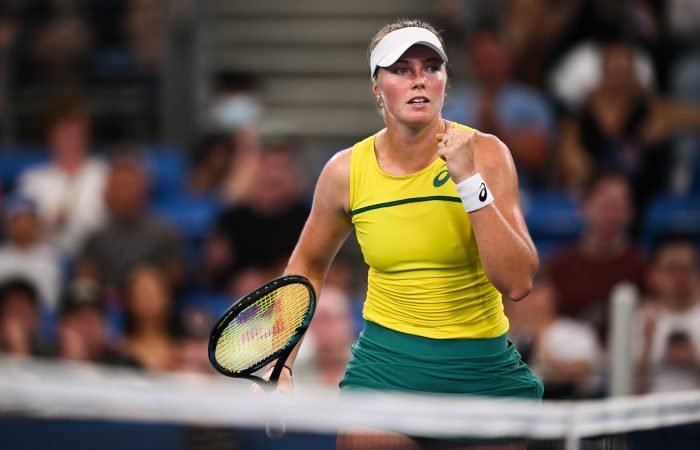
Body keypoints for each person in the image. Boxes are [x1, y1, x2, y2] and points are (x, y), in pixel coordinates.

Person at [270, 19, 542, 450]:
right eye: (401, 69)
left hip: (481, 373)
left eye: (431, 67)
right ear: (377, 88)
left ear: (444, 82)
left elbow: (518, 281)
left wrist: (468, 182)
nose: (419, 79)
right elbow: (307, 266)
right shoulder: (345, 171)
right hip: (385, 373)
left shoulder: (487, 154)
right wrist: (281, 362)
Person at [546, 171, 647, 347]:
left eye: (618, 208)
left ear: (631, 212)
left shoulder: (642, 266)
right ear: (583, 207)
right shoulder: (559, 266)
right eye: (604, 207)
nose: (611, 216)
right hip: (569, 357)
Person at [635, 235, 700, 394]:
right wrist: (646, 349)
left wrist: (694, 362)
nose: (680, 278)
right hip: (650, 406)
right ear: (653, 274)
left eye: (686, 269)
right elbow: (625, 393)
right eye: (671, 269)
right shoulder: (638, 320)